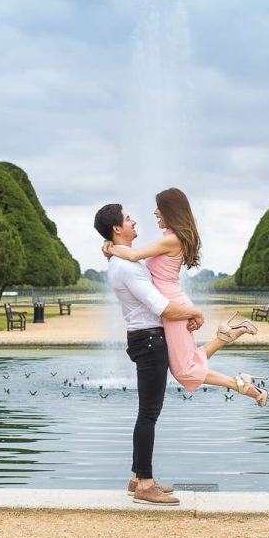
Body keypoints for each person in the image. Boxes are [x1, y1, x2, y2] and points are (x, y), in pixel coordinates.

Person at [103, 188, 268, 406]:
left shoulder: (172, 240)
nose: (154, 213)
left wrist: (111, 248)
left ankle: (243, 386)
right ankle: (229, 336)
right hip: (172, 303)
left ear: (170, 211)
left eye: (159, 209)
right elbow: (137, 264)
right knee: (188, 363)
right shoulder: (169, 239)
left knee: (183, 371)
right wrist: (112, 252)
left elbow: (133, 255)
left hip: (172, 307)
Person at [95, 202, 205, 507]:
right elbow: (163, 307)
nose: (134, 221)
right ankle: (145, 483)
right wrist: (196, 311)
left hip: (144, 339)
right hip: (150, 341)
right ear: (117, 229)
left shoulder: (124, 261)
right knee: (148, 414)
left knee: (147, 413)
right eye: (128, 219)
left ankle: (136, 477)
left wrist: (109, 247)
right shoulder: (128, 268)